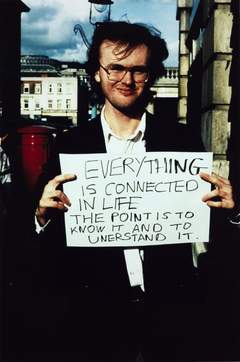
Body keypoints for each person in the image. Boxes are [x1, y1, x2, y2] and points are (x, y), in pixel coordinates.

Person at [34, 21, 234, 362]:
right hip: (94, 319)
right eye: (115, 68)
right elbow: (43, 248)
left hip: (171, 317)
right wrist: (41, 217)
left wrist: (232, 214)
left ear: (150, 74)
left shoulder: (181, 142)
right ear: (96, 73)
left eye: (138, 70)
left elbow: (208, 234)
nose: (126, 80)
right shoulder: (70, 145)